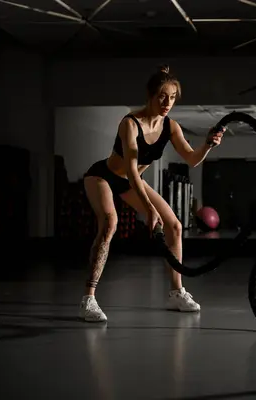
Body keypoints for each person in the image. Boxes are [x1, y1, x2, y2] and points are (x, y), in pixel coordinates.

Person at [79, 65, 225, 322]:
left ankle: (176, 292)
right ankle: (88, 298)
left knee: (175, 227)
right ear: (150, 95)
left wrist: (208, 145)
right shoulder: (130, 124)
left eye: (172, 97)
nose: (167, 102)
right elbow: (133, 171)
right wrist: (148, 208)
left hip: (129, 181)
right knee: (109, 223)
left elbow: (192, 159)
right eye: (162, 96)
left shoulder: (171, 127)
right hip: (104, 176)